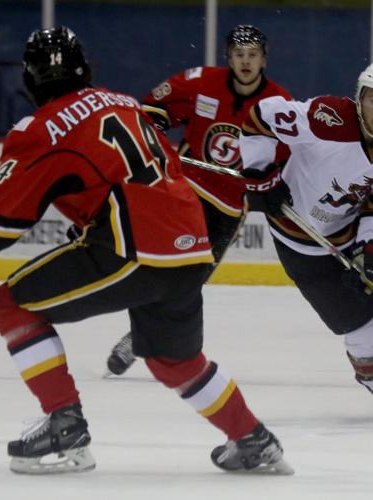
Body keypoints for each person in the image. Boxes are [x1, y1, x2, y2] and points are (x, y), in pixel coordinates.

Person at [0, 26, 290, 475]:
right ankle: (252, 438)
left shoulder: (43, 129)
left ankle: (65, 427)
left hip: (135, 245)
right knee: (174, 360)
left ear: (30, 80)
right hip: (193, 248)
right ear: (86, 68)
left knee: (11, 304)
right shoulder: (123, 103)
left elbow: (1, 213)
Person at [237, 60, 373, 419]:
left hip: (355, 226)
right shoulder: (326, 118)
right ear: (359, 97)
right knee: (367, 331)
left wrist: (372, 250)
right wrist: (260, 175)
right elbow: (261, 115)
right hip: (302, 241)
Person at [105, 24, 291, 375]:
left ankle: (140, 336)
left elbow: (291, 154)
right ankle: (140, 337)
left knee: (191, 281)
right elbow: (153, 109)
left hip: (229, 206)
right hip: (185, 192)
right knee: (162, 267)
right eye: (239, 54)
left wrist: (275, 179)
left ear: (264, 59)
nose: (246, 61)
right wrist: (154, 131)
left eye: (253, 55)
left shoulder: (278, 104)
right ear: (228, 57)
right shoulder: (200, 82)